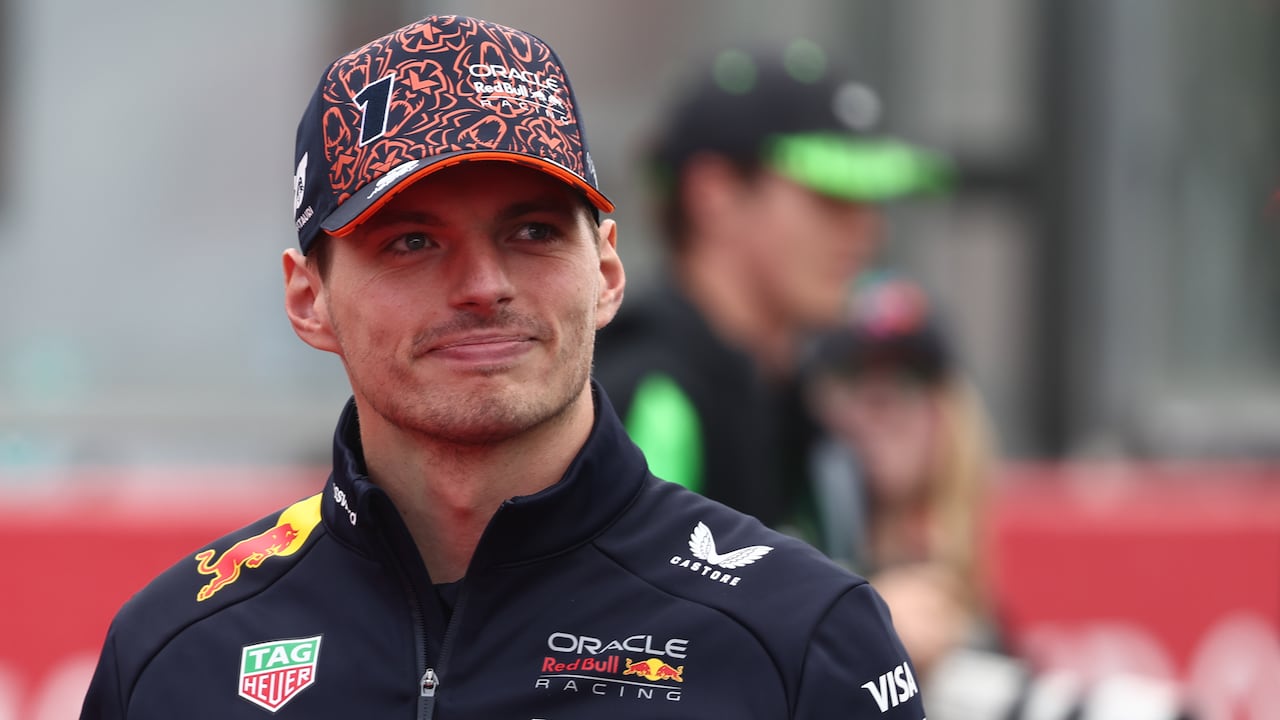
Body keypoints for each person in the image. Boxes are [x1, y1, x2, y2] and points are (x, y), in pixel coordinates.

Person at [79, 15, 925, 719]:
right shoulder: (172, 657)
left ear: (606, 270)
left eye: (533, 232)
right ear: (309, 300)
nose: (484, 285)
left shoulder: (800, 638)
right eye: (412, 241)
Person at [593, 43, 950, 530]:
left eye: (872, 201)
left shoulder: (794, 403)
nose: (867, 232)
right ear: (714, 195)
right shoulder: (652, 402)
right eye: (833, 194)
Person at [797, 272, 999, 683]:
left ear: (948, 413)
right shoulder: (783, 551)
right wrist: (859, 622)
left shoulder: (970, 595)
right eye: (854, 377)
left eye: (908, 379)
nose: (881, 402)